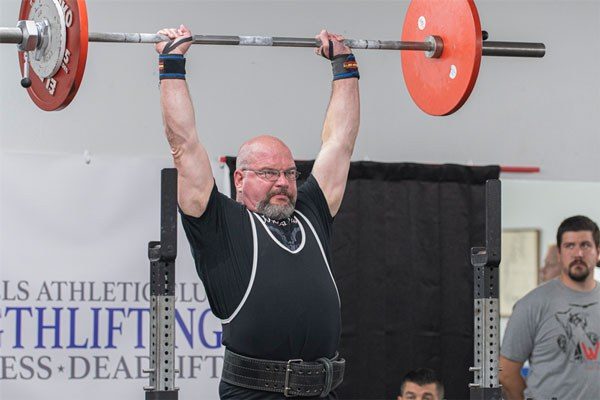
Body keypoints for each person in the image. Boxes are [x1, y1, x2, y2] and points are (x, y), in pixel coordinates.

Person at [155, 25, 360, 399]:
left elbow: (339, 143)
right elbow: (183, 145)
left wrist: (345, 67)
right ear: (239, 179)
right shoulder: (221, 225)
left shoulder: (310, 213)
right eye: (268, 173)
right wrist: (172, 64)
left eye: (289, 173)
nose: (282, 182)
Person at [499, 215, 600, 400]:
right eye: (570, 246)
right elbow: (506, 373)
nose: (578, 254)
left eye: (585, 245)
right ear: (560, 254)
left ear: (598, 252)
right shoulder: (531, 305)